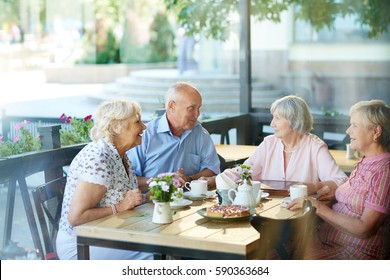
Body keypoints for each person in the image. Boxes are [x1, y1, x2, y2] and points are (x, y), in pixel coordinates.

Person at [289, 100, 390, 259]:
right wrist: (334, 191)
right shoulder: (366, 161)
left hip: (353, 253)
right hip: (327, 240)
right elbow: (360, 194)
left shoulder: (384, 171)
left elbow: (364, 229)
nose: (348, 131)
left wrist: (317, 206)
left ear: (376, 131)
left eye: (355, 125)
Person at [56, 99, 153, 260]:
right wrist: (120, 207)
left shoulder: (119, 155)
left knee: (164, 250)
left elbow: (118, 195)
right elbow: (76, 218)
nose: (144, 126)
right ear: (116, 126)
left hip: (110, 234)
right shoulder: (98, 157)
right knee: (155, 256)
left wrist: (146, 197)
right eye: (137, 122)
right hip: (81, 245)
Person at [203, 95, 348, 196]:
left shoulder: (315, 147)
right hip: (268, 209)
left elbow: (341, 180)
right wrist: (216, 180)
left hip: (301, 213)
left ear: (294, 121)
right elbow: (246, 169)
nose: (272, 124)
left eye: (277, 118)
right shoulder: (269, 143)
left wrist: (316, 187)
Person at [127, 82, 220, 191]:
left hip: (190, 202)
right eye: (191, 108)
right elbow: (129, 180)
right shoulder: (145, 135)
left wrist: (188, 179)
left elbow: (212, 169)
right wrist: (164, 181)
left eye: (199, 108)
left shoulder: (200, 133)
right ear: (172, 106)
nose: (197, 114)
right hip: (152, 204)